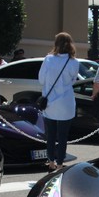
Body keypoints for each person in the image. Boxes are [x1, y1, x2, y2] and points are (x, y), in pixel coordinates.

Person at [38, 32, 80, 171]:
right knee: (63, 136)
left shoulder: (48, 59)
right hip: (66, 103)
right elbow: (73, 80)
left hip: (50, 103)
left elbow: (41, 80)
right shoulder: (74, 62)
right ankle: (60, 163)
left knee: (50, 135)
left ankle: (51, 162)